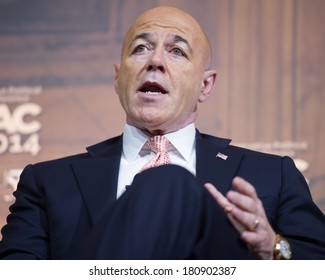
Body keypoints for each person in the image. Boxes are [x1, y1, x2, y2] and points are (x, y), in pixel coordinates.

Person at [0, 6, 325, 260]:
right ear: (118, 77)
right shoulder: (47, 182)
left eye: (177, 51)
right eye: (140, 48)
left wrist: (272, 246)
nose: (155, 61)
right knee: (167, 182)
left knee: (170, 181)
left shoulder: (272, 175)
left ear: (205, 84)